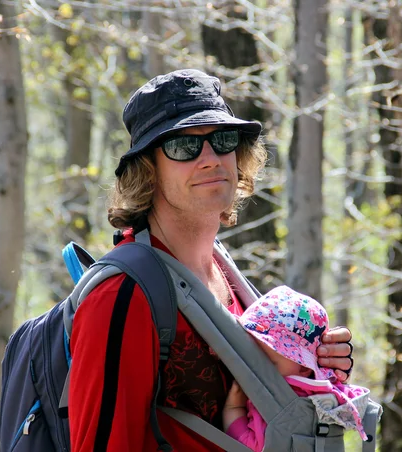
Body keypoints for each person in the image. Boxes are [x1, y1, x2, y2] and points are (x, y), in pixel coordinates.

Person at [67, 69, 354, 452]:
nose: (209, 159)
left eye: (222, 140)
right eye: (183, 146)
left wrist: (311, 366)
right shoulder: (122, 295)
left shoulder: (228, 275)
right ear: (147, 170)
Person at [222, 285, 370, 451]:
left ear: (304, 368)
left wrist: (233, 408)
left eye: (268, 363)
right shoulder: (322, 395)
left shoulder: (282, 408)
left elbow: (251, 446)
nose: (254, 365)